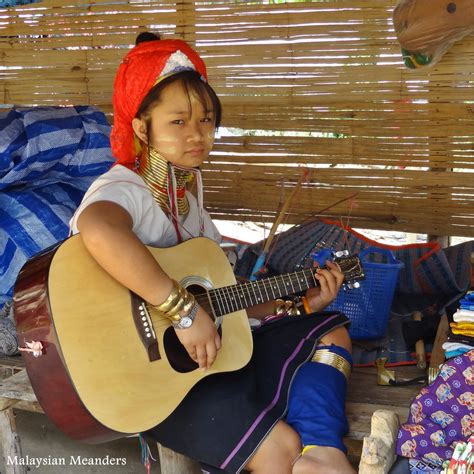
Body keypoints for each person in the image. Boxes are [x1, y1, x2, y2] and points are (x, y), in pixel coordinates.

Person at [70, 32, 355, 474]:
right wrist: (182, 311)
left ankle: (321, 451)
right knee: (279, 447)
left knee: (328, 330)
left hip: (206, 357)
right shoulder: (123, 188)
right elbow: (99, 230)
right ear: (142, 127)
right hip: (148, 378)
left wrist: (295, 301)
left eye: (205, 121)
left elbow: (221, 292)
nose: (198, 134)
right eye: (178, 122)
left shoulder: (188, 195)